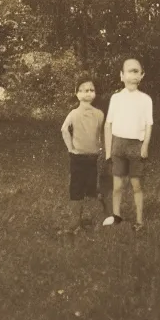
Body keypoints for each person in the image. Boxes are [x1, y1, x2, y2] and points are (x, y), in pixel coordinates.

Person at [102, 57, 153, 230]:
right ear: (121, 76)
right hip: (118, 146)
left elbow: (148, 124)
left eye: (136, 72)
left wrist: (145, 145)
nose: (133, 76)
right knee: (117, 186)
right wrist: (109, 151)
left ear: (142, 75)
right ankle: (117, 216)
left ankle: (139, 221)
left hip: (135, 147)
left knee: (136, 185)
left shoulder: (146, 99)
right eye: (129, 71)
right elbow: (108, 125)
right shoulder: (116, 99)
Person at [60, 77, 105, 232]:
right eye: (84, 90)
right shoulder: (73, 113)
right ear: (77, 94)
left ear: (95, 94)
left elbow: (100, 133)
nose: (88, 93)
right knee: (76, 188)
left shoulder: (99, 114)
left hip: (93, 157)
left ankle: (91, 220)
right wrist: (70, 148)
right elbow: (64, 129)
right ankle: (75, 221)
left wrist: (100, 148)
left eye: (92, 90)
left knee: (91, 188)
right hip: (77, 157)